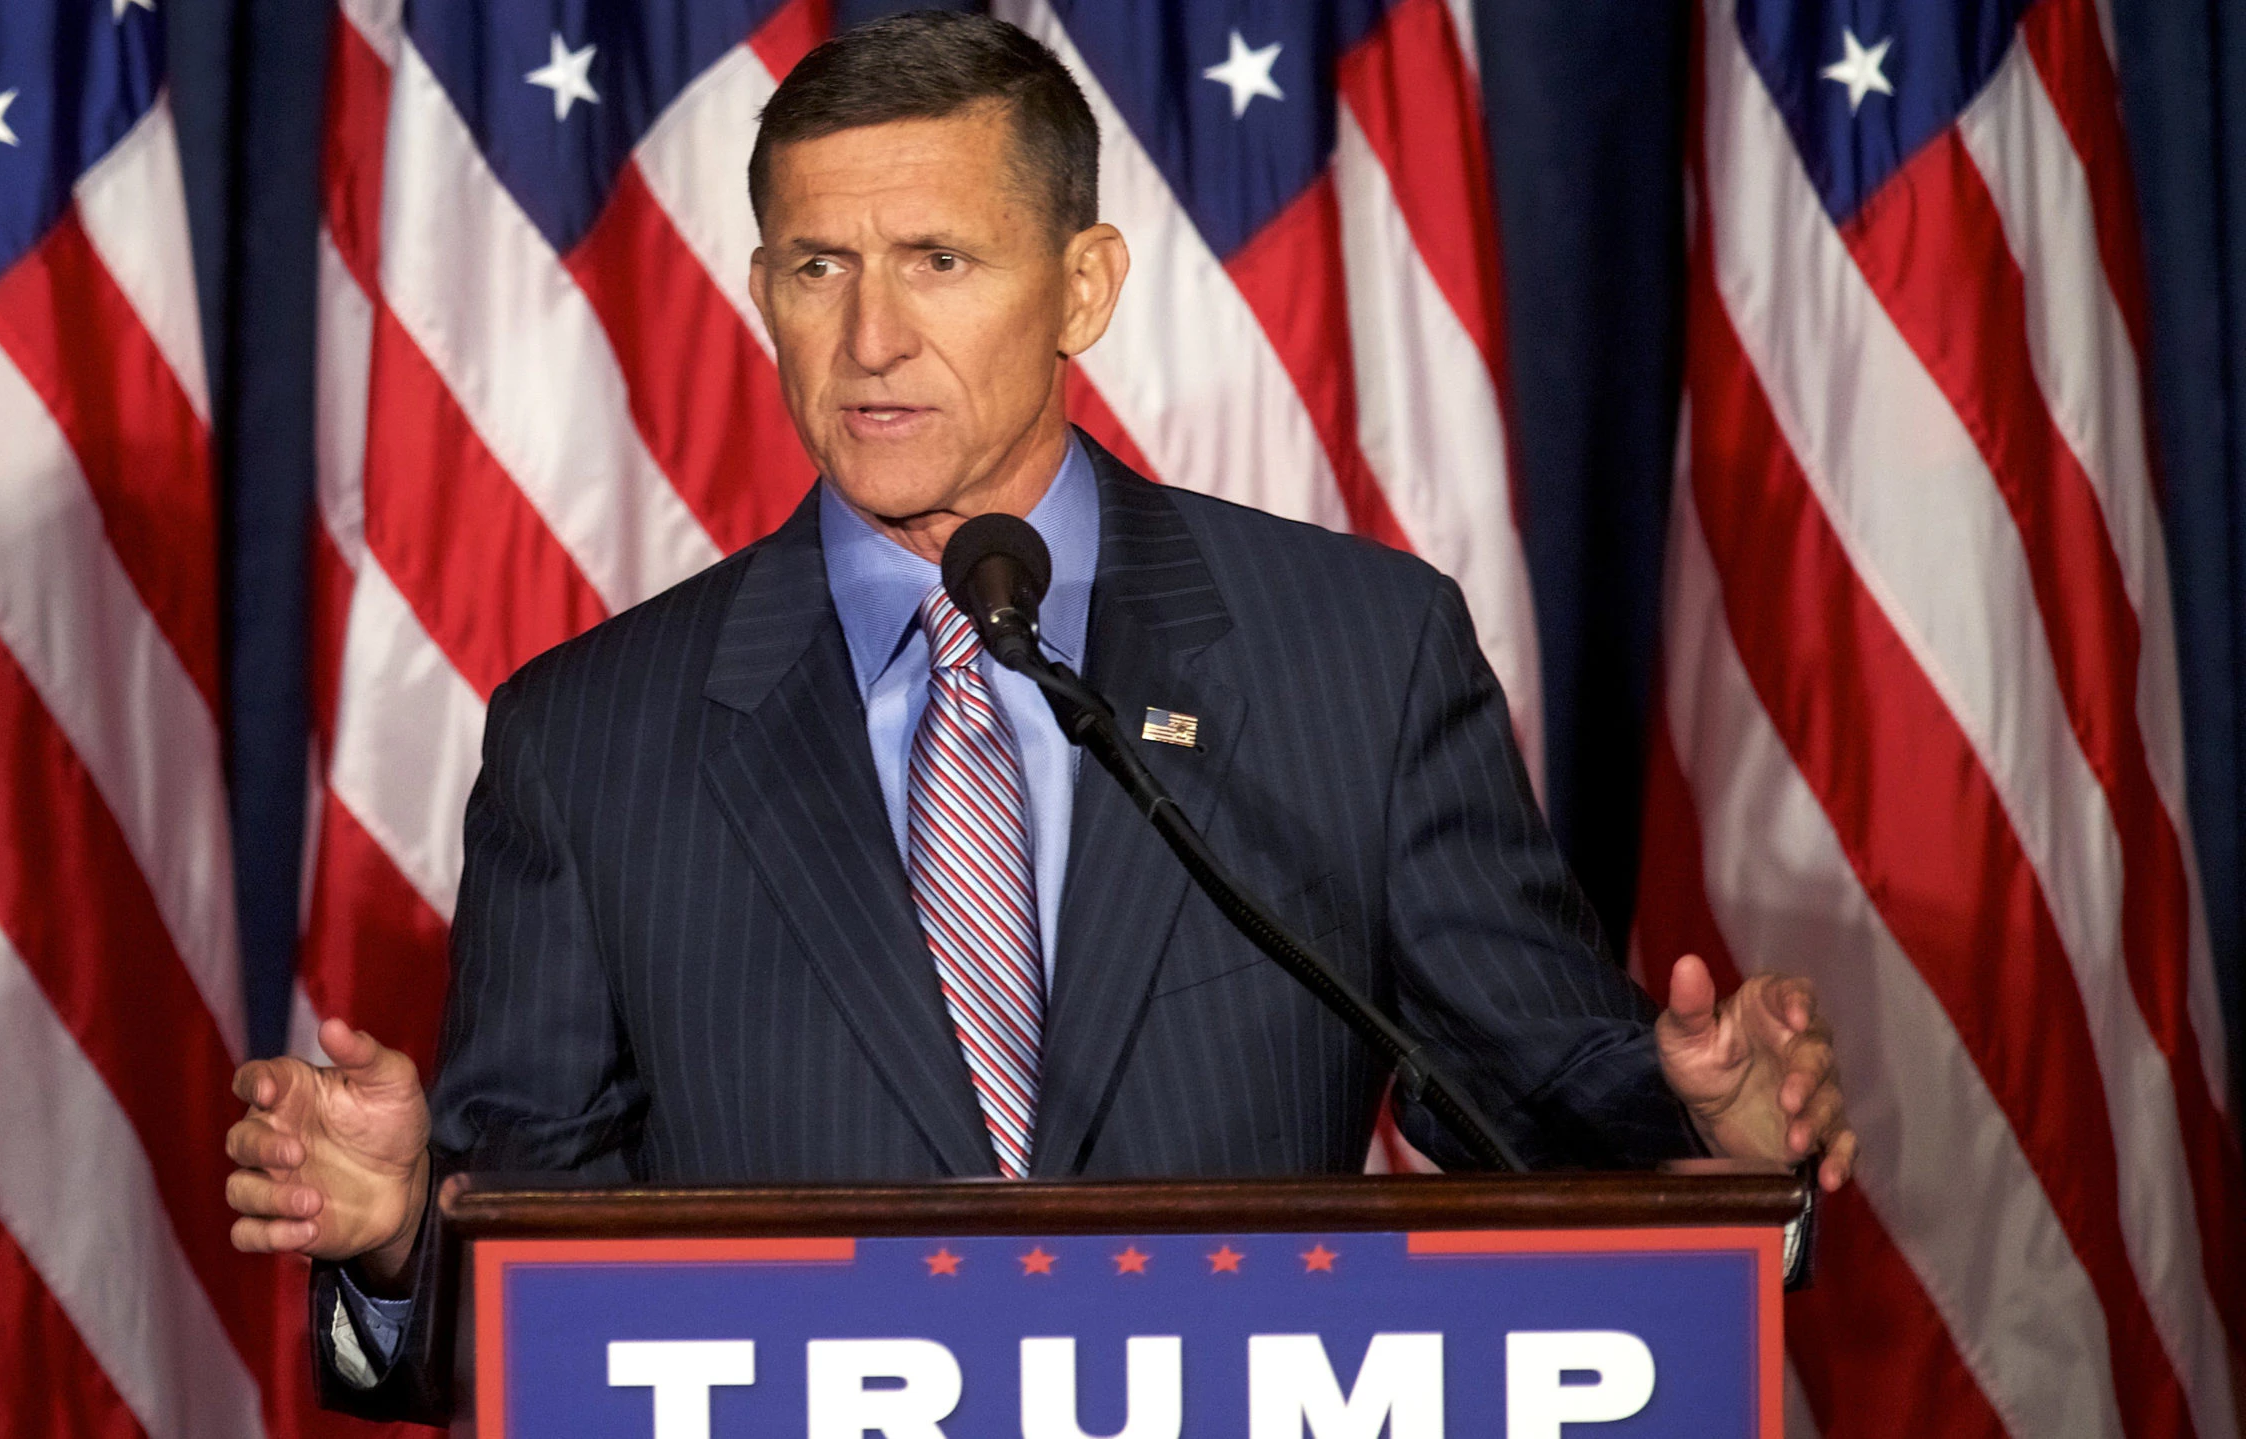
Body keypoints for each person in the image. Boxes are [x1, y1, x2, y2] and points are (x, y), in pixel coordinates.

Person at [224, 11, 1855, 1422]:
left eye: (940, 259)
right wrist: (395, 1236)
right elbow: (528, 1290)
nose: (870, 338)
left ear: (1081, 287)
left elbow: (1530, 1099)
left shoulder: (1355, 654)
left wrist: (1702, 1132)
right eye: (820, 265)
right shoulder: (591, 739)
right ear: (762, 286)